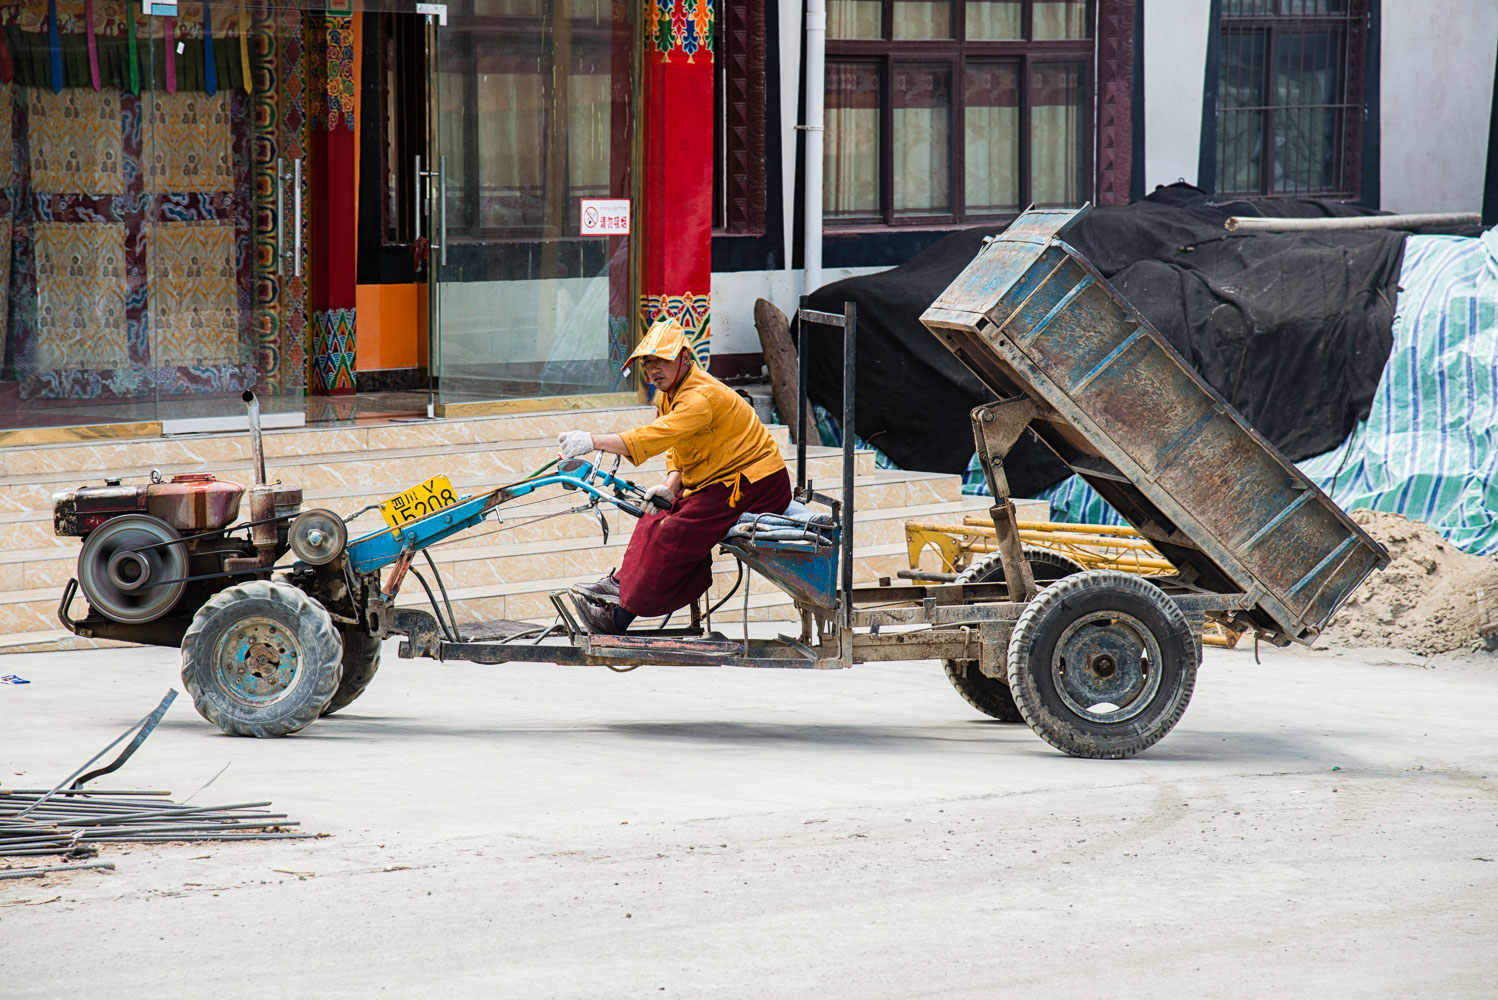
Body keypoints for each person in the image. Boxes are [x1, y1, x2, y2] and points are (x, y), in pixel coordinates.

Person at [557, 316, 791, 633]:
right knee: (652, 515)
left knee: (673, 530)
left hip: (756, 483)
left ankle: (619, 617)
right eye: (649, 363)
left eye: (662, 361)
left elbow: (654, 437)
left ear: (684, 358)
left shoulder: (699, 398)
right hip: (714, 478)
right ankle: (619, 583)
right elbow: (677, 445)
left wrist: (594, 441)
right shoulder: (669, 392)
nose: (654, 370)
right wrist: (670, 484)